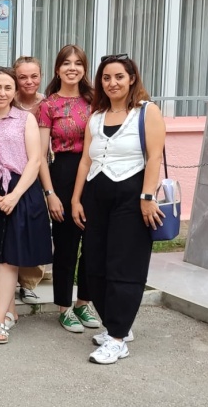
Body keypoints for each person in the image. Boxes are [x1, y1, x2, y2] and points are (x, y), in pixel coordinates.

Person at [71, 54, 166, 365]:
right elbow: (86, 160)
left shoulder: (147, 112)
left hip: (132, 197)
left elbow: (154, 158)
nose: (112, 83)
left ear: (131, 79)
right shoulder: (95, 117)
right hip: (96, 197)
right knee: (94, 265)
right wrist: (75, 199)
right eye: (107, 78)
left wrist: (147, 196)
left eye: (119, 77)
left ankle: (117, 338)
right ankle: (116, 322)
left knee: (125, 266)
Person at [0, 67, 53, 344]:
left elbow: (35, 160)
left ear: (15, 91)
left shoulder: (25, 119)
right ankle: (11, 311)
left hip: (20, 189)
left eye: (8, 87)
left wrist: (14, 195)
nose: (2, 93)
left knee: (9, 258)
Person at [38, 45, 101, 333]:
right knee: (66, 244)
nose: (72, 68)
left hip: (97, 173)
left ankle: (83, 302)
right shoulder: (48, 105)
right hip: (62, 172)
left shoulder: (96, 101)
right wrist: (50, 193)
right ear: (57, 69)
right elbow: (40, 155)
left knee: (93, 243)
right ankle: (64, 306)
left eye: (78, 63)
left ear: (85, 69)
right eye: (66, 63)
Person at [0, 55, 48, 303]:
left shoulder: (44, 105)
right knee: (3, 237)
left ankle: (28, 282)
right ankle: (2, 286)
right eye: (23, 77)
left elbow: (38, 156)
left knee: (27, 231)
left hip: (36, 171)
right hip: (2, 175)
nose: (28, 81)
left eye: (33, 76)